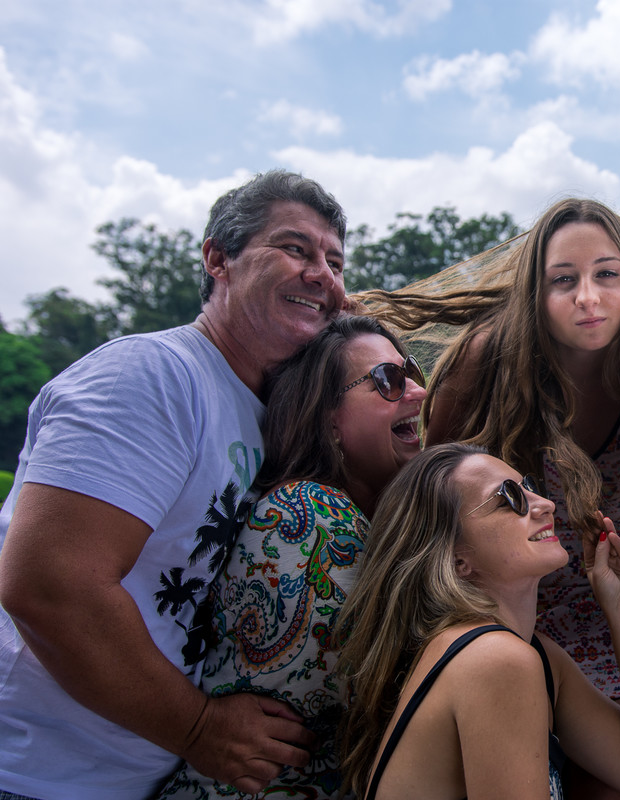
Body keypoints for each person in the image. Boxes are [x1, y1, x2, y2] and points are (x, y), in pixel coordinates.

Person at [357, 199, 620, 735]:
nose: (588, 298)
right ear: (537, 290)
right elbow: (429, 508)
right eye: (563, 280)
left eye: (607, 274)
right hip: (512, 615)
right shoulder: (490, 361)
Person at [0, 170, 348, 800]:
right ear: (218, 258)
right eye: (295, 248)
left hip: (128, 779)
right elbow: (50, 585)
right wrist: (199, 729)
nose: (322, 274)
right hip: (30, 771)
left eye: (335, 262)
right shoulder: (153, 377)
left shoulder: (265, 415)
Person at [154, 315, 426, 798]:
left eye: (413, 374)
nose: (418, 393)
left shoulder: (358, 518)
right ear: (329, 422)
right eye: (388, 380)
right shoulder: (308, 514)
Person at [336, 442, 620, 799]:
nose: (546, 504)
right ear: (457, 558)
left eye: (531, 487)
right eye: (509, 498)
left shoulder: (534, 655)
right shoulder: (495, 659)